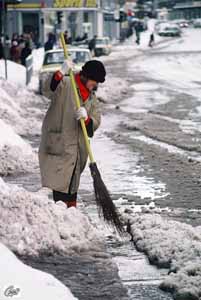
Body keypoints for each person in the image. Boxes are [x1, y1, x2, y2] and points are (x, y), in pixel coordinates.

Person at [39, 59, 106, 208]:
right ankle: (62, 214)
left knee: (72, 184)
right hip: (60, 143)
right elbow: (47, 91)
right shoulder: (66, 84)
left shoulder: (91, 98)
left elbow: (96, 121)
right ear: (85, 76)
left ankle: (70, 215)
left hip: (78, 149)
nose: (96, 85)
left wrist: (87, 119)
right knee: (61, 183)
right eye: (95, 81)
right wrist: (59, 74)